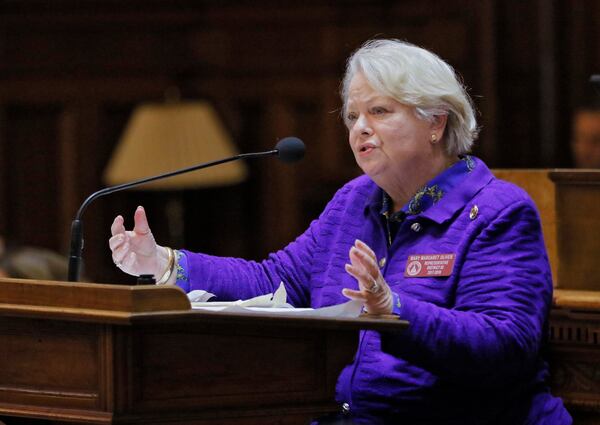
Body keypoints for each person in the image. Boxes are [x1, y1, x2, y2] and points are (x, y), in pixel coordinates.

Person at [108, 39, 571, 424]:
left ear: (436, 123)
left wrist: (395, 311)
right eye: (353, 116)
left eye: (380, 111)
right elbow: (274, 284)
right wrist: (164, 263)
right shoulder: (354, 200)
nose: (360, 129)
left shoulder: (497, 212)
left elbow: (505, 346)